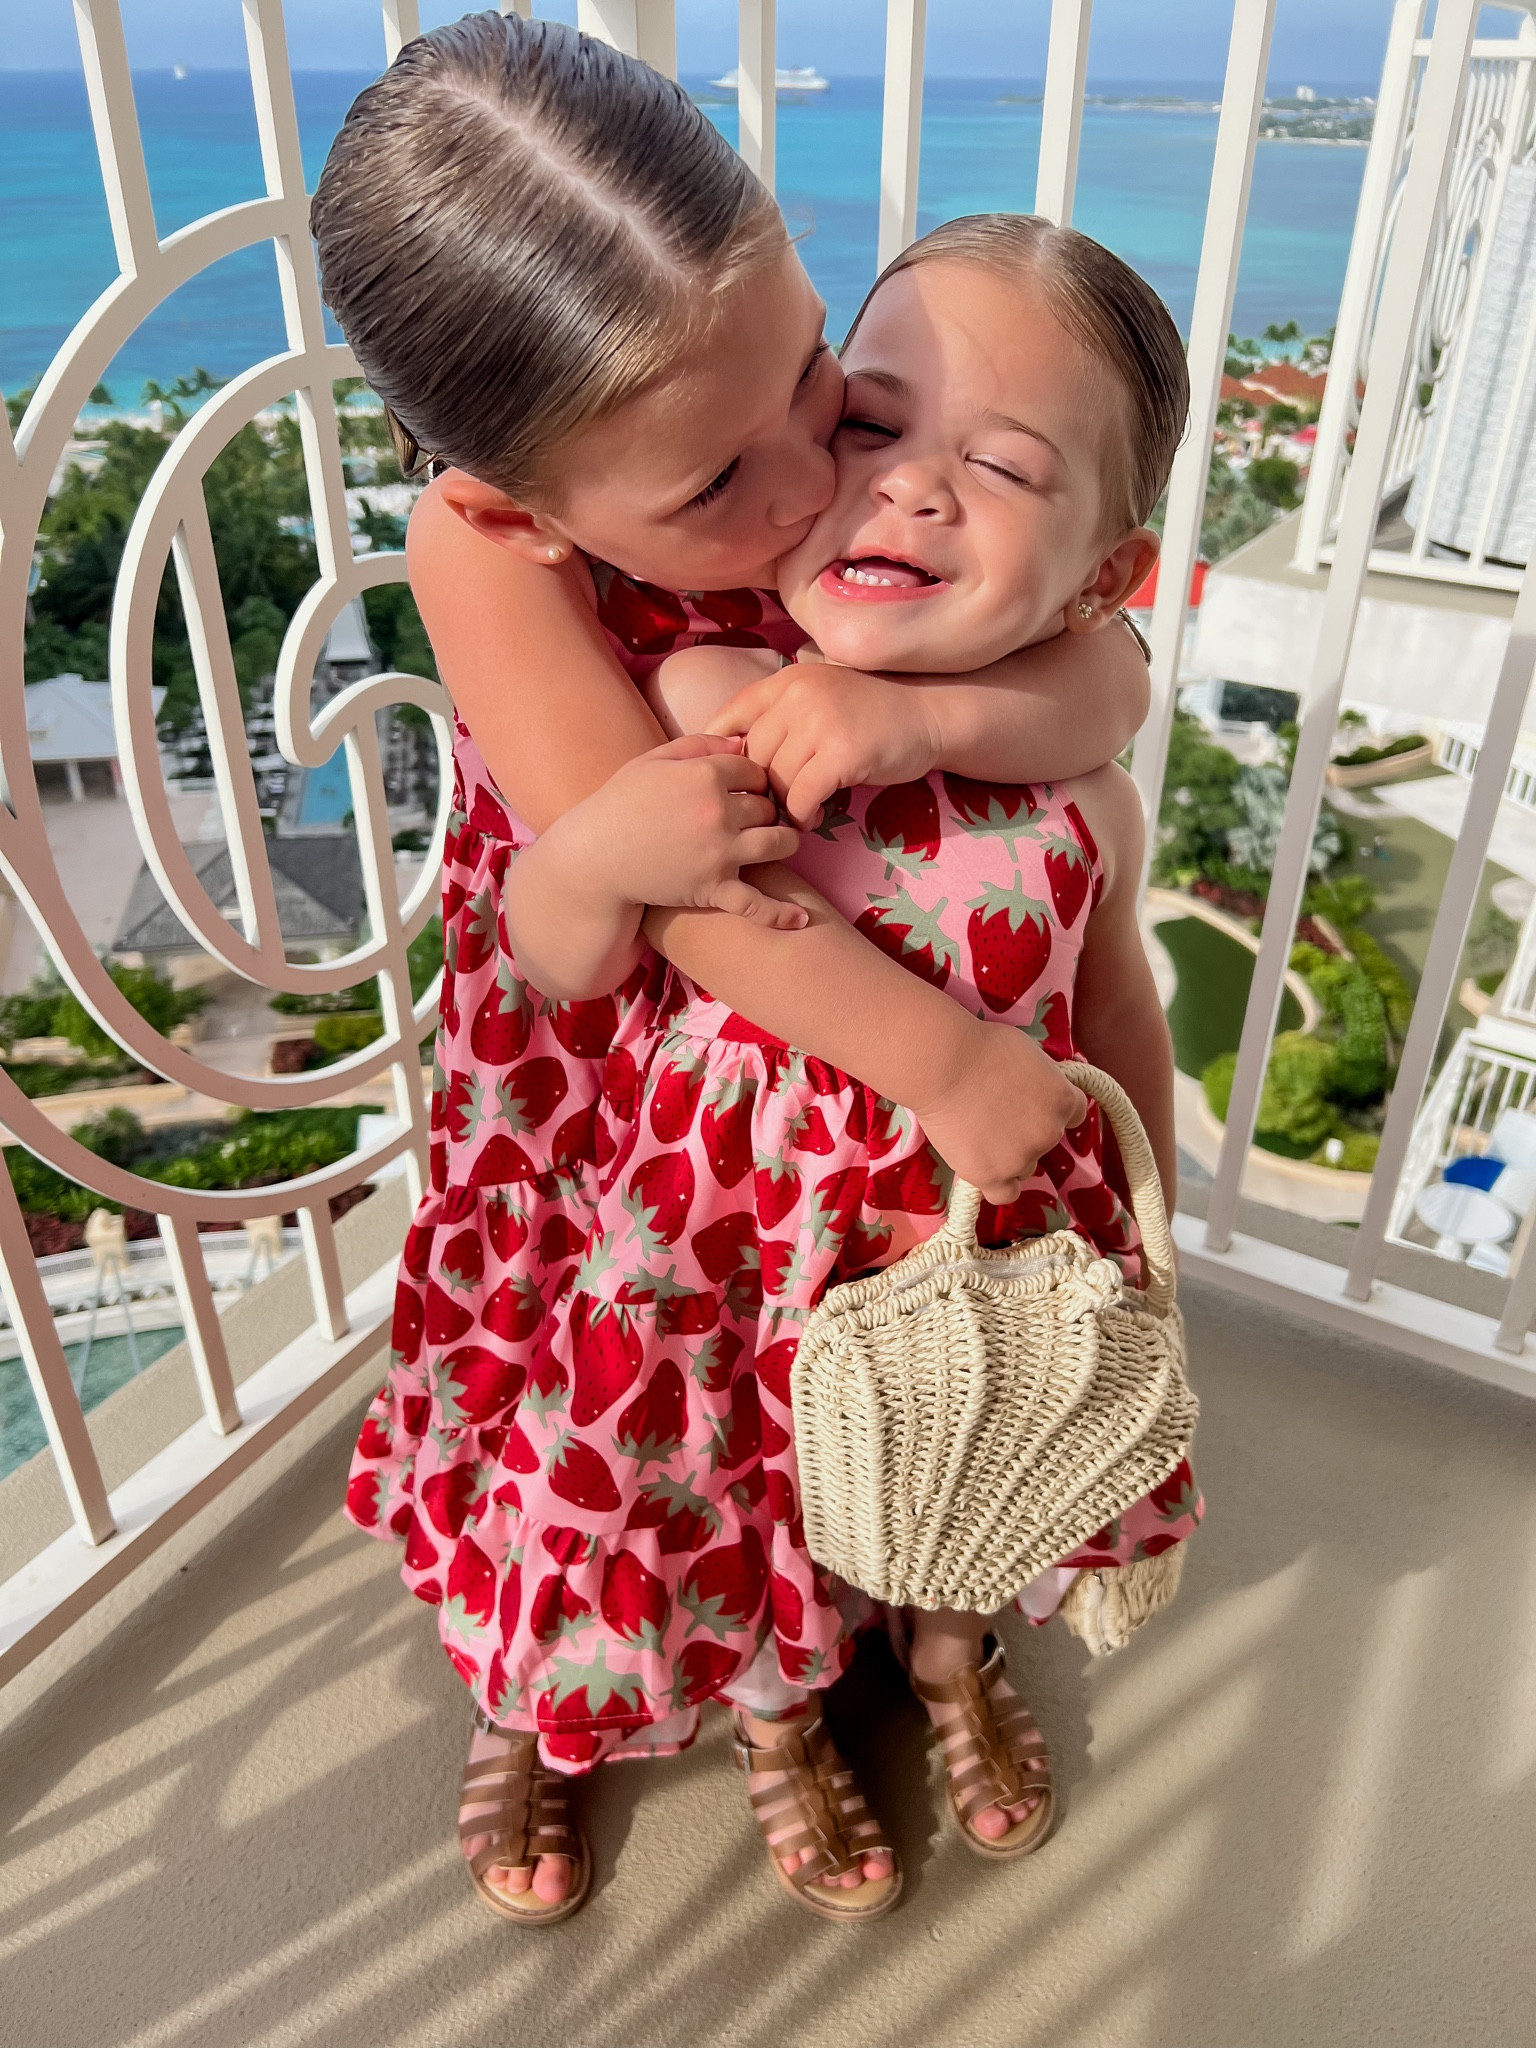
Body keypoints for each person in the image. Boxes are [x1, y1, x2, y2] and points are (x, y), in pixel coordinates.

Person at [316, 14, 1156, 1926]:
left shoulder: (846, 496)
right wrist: (947, 1066)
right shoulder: (492, 553)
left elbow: (1109, 682)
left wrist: (906, 716)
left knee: (775, 1389)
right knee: (596, 1396)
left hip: (805, 1087)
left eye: (820, 389)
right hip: (616, 1074)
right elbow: (687, 895)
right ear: (518, 501)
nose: (806, 488)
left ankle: (788, 1684)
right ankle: (539, 1683)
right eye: (718, 484)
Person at [511, 211, 1203, 1919]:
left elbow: (1117, 1009)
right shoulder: (706, 699)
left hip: (986, 1232)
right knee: (744, 1492)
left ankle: (953, 1656)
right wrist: (600, 858)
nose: (908, 489)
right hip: (730, 1264)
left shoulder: (1080, 783)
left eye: (1005, 466)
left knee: (973, 1460)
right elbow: (565, 949)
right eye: (874, 426)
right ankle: (775, 1713)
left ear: (1104, 578)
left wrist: (1150, 1203)